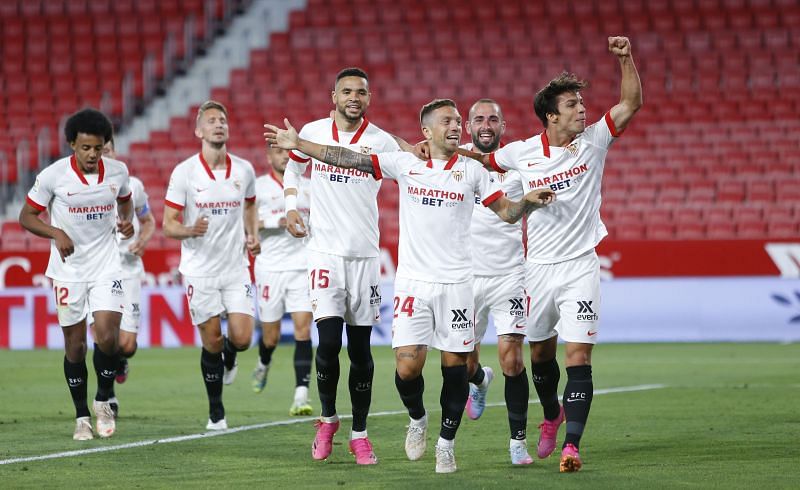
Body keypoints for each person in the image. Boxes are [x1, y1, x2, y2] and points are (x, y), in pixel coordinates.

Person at [265, 98, 555, 473]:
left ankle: (446, 444)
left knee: (454, 368)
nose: (455, 127)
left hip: (456, 284)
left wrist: (527, 205)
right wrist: (300, 145)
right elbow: (344, 156)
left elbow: (506, 213)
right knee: (406, 369)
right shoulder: (405, 164)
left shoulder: (472, 171)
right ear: (427, 131)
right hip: (413, 284)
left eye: (456, 121)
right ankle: (417, 418)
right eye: (447, 121)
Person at [460, 36, 643, 472]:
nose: (583, 109)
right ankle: (550, 415)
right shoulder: (521, 152)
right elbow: (483, 160)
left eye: (582, 103)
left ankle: (572, 445)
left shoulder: (594, 140)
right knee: (539, 355)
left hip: (581, 265)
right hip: (536, 270)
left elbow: (631, 103)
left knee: (577, 355)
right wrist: (430, 150)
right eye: (573, 104)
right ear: (551, 115)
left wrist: (625, 58)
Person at [273, 67, 411, 466]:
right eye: (347, 91)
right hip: (324, 254)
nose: (354, 97)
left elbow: (412, 162)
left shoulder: (380, 141)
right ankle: (328, 419)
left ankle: (360, 434)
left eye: (362, 92)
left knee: (362, 352)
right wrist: (291, 207)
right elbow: (294, 166)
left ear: (369, 98)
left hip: (365, 257)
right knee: (329, 343)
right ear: (333, 95)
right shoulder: (312, 131)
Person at [19, 108, 134, 440]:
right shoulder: (54, 176)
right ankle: (81, 415)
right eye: (86, 148)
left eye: (98, 148)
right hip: (68, 271)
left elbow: (125, 202)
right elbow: (26, 217)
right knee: (75, 346)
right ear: (72, 144)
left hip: (107, 265)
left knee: (109, 337)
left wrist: (125, 222)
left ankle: (103, 401)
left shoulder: (118, 171)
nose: (93, 154)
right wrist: (56, 233)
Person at [163, 100, 260, 430]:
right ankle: (216, 410)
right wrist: (189, 230)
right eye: (212, 121)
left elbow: (250, 206)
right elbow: (167, 224)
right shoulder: (184, 173)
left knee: (243, 338)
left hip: (235, 267)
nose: (219, 124)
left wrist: (253, 234)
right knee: (211, 342)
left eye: (223, 120)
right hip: (199, 270)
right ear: (199, 130)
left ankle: (231, 358)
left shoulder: (244, 170)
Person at [461, 99, 533, 465]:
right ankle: (479, 382)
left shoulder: (517, 166)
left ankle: (517, 443)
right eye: (478, 119)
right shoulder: (455, 162)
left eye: (492, 119)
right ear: (467, 125)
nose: (485, 125)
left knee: (512, 361)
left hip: (510, 275)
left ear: (503, 126)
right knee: (464, 363)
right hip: (465, 277)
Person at [89, 138, 156, 417]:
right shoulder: (81, 190)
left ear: (114, 151)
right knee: (104, 338)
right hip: (95, 272)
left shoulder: (132, 185)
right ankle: (107, 396)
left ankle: (120, 362)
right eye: (97, 150)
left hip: (127, 272)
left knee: (125, 345)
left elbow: (149, 221)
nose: (103, 154)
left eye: (107, 149)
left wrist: (142, 239)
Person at [251, 143, 314, 416]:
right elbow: (248, 223)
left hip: (302, 266)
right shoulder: (258, 186)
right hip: (270, 268)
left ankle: (301, 394)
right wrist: (274, 221)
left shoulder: (311, 186)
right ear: (269, 156)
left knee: (303, 329)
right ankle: (263, 363)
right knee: (271, 336)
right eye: (279, 152)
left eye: (289, 152)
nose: (286, 156)